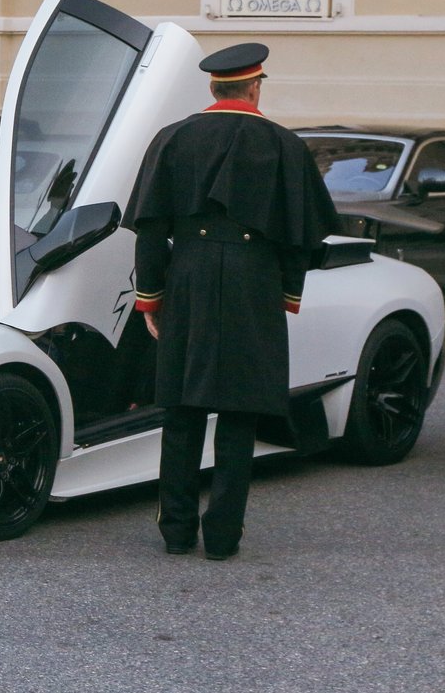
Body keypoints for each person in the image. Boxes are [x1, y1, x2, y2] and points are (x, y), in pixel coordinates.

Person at [124, 43, 339, 560]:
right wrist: (286, 295)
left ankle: (177, 533)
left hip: (188, 279)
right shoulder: (285, 146)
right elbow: (301, 241)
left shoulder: (172, 137)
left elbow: (149, 231)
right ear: (255, 87)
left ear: (213, 86)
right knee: (240, 415)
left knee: (182, 412)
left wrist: (151, 299)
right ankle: (222, 538)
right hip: (254, 283)